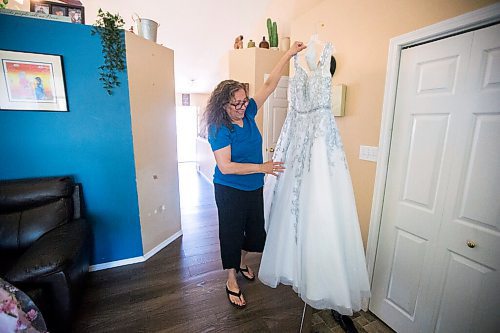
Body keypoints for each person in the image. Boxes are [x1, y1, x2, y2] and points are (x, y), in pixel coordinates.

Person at [258, 36, 371, 315]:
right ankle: (295, 266)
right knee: (293, 207)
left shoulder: (326, 59)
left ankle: (320, 279)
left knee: (320, 203)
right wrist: (289, 55)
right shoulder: (295, 67)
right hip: (296, 140)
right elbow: (269, 84)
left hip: (320, 142)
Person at [204, 41, 307, 309]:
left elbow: (270, 84)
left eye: (244, 101)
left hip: (253, 187)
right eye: (235, 103)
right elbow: (226, 166)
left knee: (254, 234)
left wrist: (288, 53)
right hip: (228, 188)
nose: (241, 106)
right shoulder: (219, 128)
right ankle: (231, 279)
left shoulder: (249, 112)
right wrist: (263, 167)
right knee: (230, 233)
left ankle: (241, 261)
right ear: (223, 104)